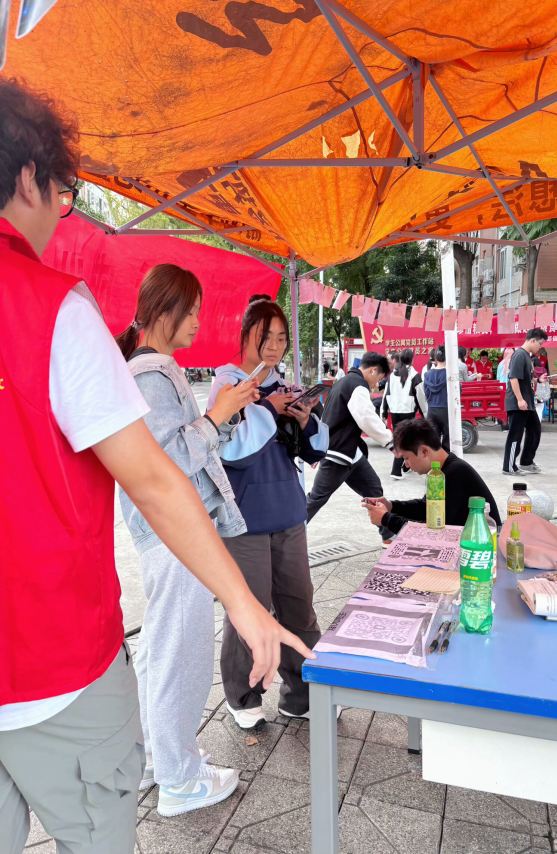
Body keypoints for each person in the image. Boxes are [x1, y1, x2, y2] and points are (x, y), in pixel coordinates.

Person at [0, 79, 313, 854]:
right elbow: (155, 474)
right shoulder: (54, 310)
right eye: (63, 195)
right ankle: (174, 771)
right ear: (30, 177)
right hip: (54, 656)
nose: (59, 214)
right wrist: (245, 602)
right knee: (172, 665)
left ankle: (173, 766)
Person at [115, 265, 259, 814]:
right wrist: (218, 415)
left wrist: (224, 414)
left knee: (162, 647)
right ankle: (178, 778)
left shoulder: (149, 370)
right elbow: (169, 463)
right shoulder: (151, 374)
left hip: (169, 532)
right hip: (176, 532)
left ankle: (157, 755)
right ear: (163, 310)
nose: (199, 321)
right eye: (191, 310)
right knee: (181, 651)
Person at [209, 298, 329, 728]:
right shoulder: (227, 385)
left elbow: (316, 452)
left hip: (288, 512)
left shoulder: (284, 385)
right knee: (250, 608)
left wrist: (305, 418)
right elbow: (231, 450)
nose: (275, 346)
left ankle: (302, 694)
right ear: (245, 336)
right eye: (266, 337)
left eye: (281, 338)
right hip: (244, 519)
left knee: (299, 606)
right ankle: (242, 696)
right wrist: (267, 409)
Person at [306, 352, 395, 544]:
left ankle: (388, 535)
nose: (376, 385)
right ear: (373, 371)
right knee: (316, 499)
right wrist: (390, 442)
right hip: (337, 453)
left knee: (373, 489)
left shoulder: (344, 381)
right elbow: (367, 418)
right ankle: (285, 534)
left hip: (350, 453)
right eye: (379, 379)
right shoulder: (357, 385)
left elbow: (327, 417)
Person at [363, 419, 501, 532]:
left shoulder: (453, 474)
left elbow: (434, 532)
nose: (407, 465)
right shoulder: (443, 469)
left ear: (424, 451)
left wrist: (387, 519)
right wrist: (391, 506)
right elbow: (427, 507)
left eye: (406, 458)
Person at [503, 327, 548, 476]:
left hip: (527, 403)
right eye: (540, 344)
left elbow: (525, 379)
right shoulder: (519, 355)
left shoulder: (527, 356)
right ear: (533, 340)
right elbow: (513, 378)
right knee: (515, 436)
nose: (540, 347)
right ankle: (508, 467)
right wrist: (520, 399)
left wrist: (538, 380)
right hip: (518, 403)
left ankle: (526, 462)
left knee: (535, 430)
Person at [381, 349, 424, 479]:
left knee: (400, 439)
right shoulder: (415, 375)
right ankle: (396, 470)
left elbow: (386, 394)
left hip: (394, 412)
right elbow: (420, 397)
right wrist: (424, 413)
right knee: (405, 440)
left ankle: (405, 466)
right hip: (408, 411)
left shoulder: (392, 375)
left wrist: (383, 411)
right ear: (412, 360)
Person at [424, 344, 450, 452]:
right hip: (445, 409)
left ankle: (434, 461)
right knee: (447, 442)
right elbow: (458, 391)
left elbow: (426, 392)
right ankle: (446, 461)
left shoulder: (428, 374)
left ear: (436, 358)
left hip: (432, 409)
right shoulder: (450, 374)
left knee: (433, 443)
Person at [532, 355, 550, 421]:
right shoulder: (544, 370)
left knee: (532, 410)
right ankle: (538, 423)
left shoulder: (531, 370)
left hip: (533, 392)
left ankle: (532, 424)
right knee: (539, 410)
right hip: (542, 393)